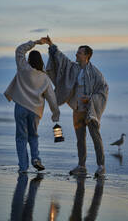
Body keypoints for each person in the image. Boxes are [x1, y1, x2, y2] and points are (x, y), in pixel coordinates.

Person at [41, 35, 108, 176]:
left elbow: (103, 90)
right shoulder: (74, 68)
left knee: (96, 138)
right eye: (77, 52)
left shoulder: (95, 73)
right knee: (80, 140)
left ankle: (101, 166)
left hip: (91, 111)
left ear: (87, 56)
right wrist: (51, 45)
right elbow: (62, 60)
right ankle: (81, 166)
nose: (76, 54)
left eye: (79, 52)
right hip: (77, 110)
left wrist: (90, 99)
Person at [4, 39, 60, 173]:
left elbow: (19, 50)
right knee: (33, 136)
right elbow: (51, 97)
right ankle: (35, 158)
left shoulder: (23, 68)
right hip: (36, 111)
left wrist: (35, 42)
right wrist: (55, 113)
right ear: (41, 61)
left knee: (21, 137)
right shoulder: (45, 78)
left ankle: (23, 167)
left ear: (29, 60)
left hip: (21, 107)